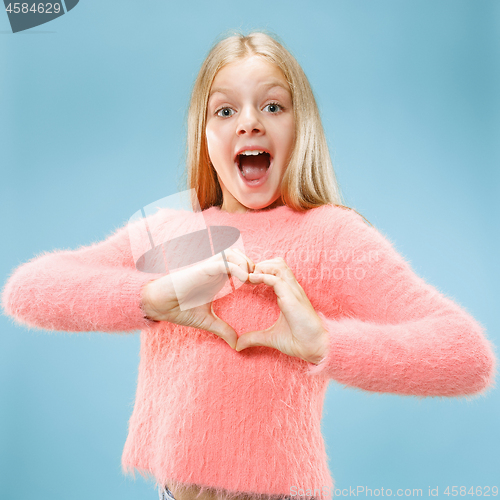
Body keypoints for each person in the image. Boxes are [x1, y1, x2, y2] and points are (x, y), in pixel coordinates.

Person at [1, 31, 496, 500]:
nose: (249, 121)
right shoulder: (172, 228)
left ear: (300, 127)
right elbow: (28, 289)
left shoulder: (328, 234)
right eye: (225, 109)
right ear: (205, 134)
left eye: (273, 105)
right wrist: (156, 298)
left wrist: (324, 342)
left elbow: (468, 356)